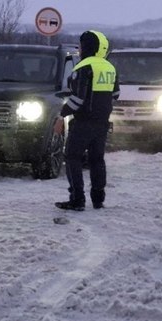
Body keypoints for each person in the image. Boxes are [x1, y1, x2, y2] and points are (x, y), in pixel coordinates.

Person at [55, 30, 119, 211]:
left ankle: (77, 199)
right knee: (97, 160)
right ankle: (98, 200)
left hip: (83, 122)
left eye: (81, 45)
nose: (79, 48)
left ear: (88, 47)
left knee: (72, 157)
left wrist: (62, 115)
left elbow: (78, 99)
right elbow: (115, 95)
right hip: (102, 122)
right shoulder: (109, 67)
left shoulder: (84, 67)